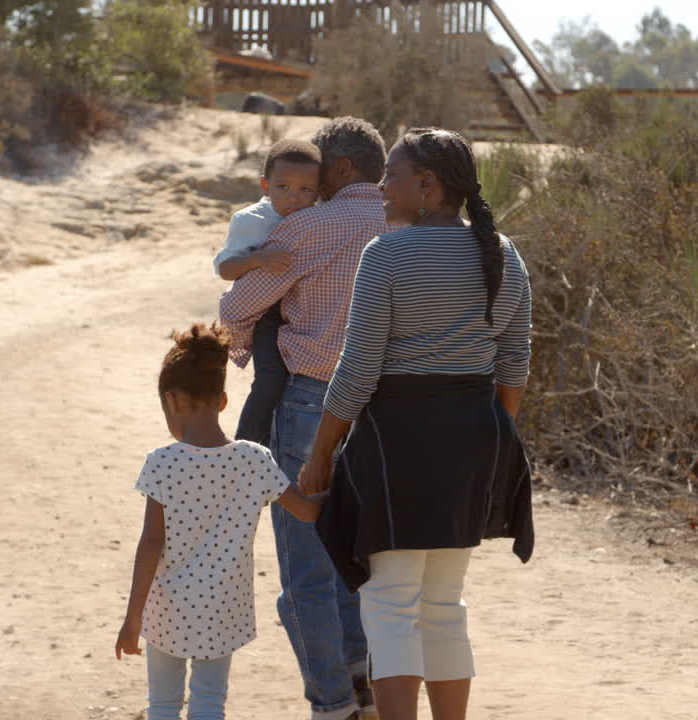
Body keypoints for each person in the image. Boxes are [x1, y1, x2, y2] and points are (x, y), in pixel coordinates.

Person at [298, 128, 535, 720]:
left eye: (393, 174)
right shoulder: (504, 255)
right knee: (444, 606)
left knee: (389, 605)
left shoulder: (387, 255)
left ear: (427, 185)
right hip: (474, 437)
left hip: (397, 441)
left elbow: (358, 370)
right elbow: (514, 365)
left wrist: (321, 451)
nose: (382, 185)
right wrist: (493, 444)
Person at [218, 116, 392, 720]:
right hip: (384, 412)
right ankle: (363, 677)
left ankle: (333, 703)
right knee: (358, 554)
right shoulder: (406, 222)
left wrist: (256, 345)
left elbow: (235, 308)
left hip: (311, 404)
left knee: (305, 567)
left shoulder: (311, 226)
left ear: (340, 168)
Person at [113, 322, 322, 720]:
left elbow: (151, 544)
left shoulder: (162, 463)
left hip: (167, 608)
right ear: (223, 401)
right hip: (222, 609)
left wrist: (132, 617)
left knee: (163, 704)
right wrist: (338, 484)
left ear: (171, 400)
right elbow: (308, 511)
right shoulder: (254, 459)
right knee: (210, 701)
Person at [213, 139, 323, 447]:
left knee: (297, 382)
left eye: (305, 190)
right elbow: (225, 268)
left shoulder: (318, 218)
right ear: (265, 185)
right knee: (270, 380)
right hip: (267, 314)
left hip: (306, 308)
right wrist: (258, 259)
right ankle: (245, 447)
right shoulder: (250, 220)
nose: (294, 197)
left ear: (319, 192)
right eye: (283, 187)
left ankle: (276, 445)